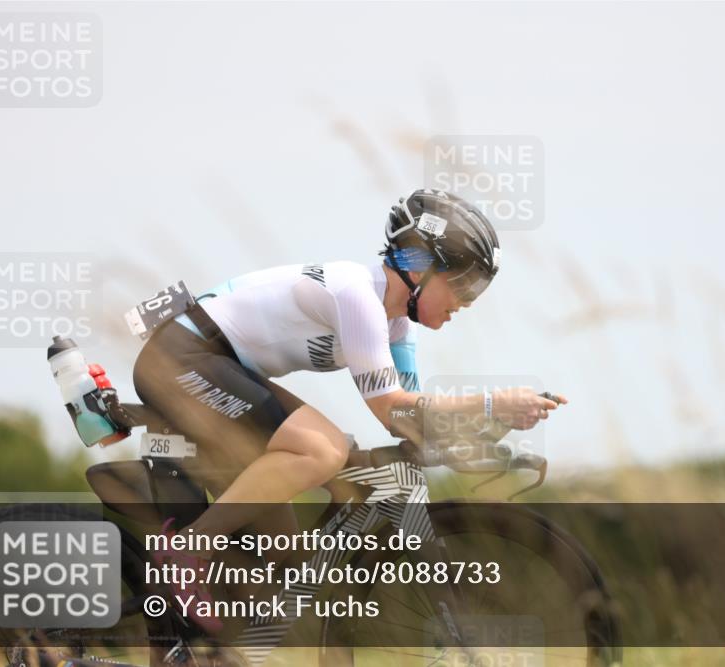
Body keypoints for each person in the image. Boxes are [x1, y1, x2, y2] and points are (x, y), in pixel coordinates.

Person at [132, 188, 566, 628]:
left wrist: (491, 434)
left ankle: (205, 647)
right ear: (419, 268)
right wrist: (492, 401)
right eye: (463, 283)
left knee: (286, 558)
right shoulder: (357, 296)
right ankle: (184, 554)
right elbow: (392, 408)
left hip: (218, 367)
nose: (468, 301)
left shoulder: (397, 327)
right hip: (181, 357)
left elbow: (412, 424)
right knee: (324, 449)